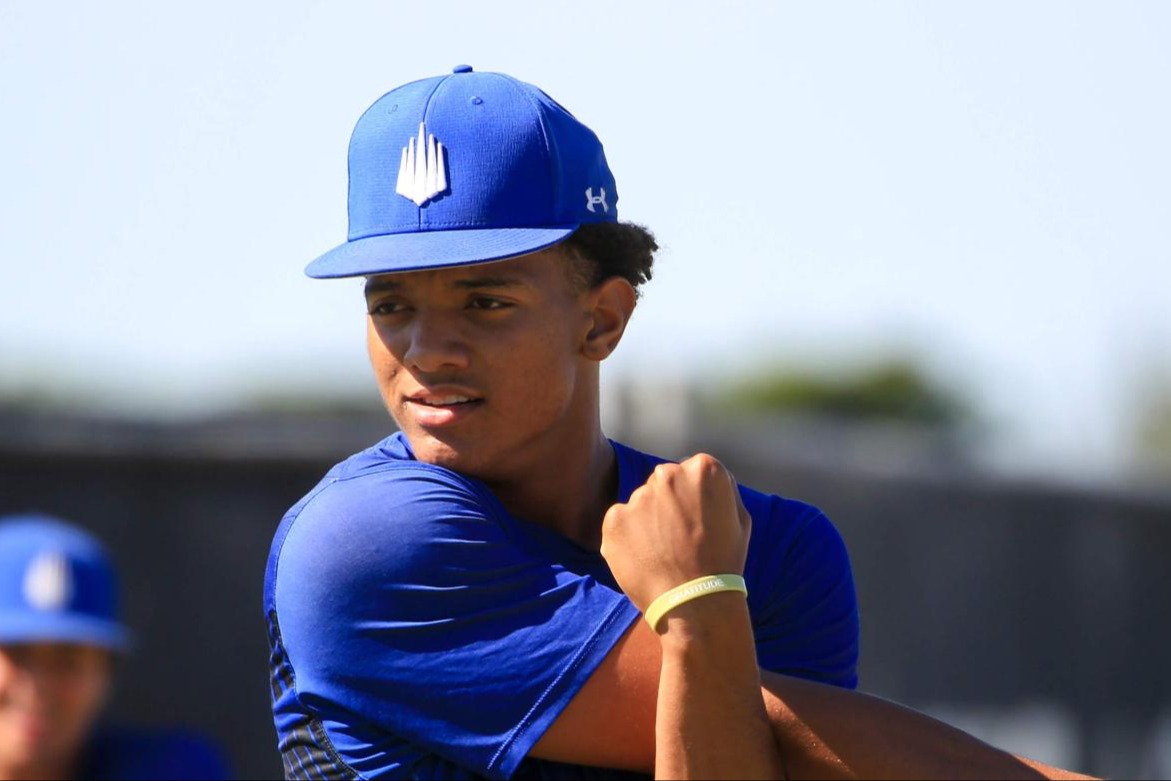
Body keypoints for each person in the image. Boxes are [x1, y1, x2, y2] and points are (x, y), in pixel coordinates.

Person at [264, 65, 1094, 779]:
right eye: (391, 305)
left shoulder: (777, 549)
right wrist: (699, 604)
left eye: (485, 301)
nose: (426, 351)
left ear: (602, 320)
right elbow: (782, 735)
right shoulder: (363, 542)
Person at [0, 514, 232, 781]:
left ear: (105, 675)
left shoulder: (171, 770)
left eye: (68, 660)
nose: (40, 685)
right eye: (18, 652)